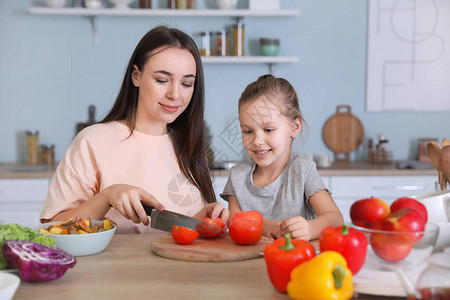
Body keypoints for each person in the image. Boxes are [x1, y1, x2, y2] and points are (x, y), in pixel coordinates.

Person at [40, 26, 229, 234]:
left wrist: (198, 221)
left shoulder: (190, 147)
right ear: (136, 76)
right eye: (162, 80)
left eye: (186, 83)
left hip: (182, 267)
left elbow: (172, 236)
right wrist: (106, 197)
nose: (175, 94)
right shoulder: (92, 142)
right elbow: (52, 229)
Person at [221, 74, 343, 241]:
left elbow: (335, 219)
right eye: (248, 131)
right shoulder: (237, 177)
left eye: (269, 129)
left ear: (295, 127)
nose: (257, 141)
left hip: (293, 261)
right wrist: (263, 225)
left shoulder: (302, 170)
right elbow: (235, 224)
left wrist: (310, 228)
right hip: (247, 265)